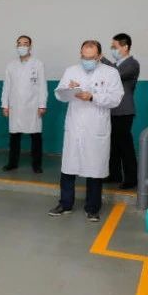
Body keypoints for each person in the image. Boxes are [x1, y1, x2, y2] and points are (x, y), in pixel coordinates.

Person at [49, 40, 123, 221]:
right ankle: (65, 204)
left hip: (96, 127)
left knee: (94, 168)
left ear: (99, 56)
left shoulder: (111, 73)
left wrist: (92, 97)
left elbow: (116, 99)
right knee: (68, 167)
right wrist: (69, 89)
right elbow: (59, 94)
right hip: (75, 125)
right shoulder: (71, 71)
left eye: (91, 57)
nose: (87, 60)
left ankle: (92, 208)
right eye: (84, 56)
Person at [1, 35, 47, 173]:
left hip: (33, 106)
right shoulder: (11, 65)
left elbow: (42, 86)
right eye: (19, 44)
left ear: (30, 47)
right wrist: (4, 105)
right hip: (15, 106)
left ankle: (36, 165)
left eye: (25, 44)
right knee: (14, 136)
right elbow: (6, 86)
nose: (22, 46)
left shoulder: (38, 64)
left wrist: (42, 105)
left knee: (36, 136)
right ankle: (12, 163)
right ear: (16, 46)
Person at [101, 33, 140, 189]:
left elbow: (116, 75)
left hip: (124, 110)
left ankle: (131, 178)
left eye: (114, 47)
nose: (112, 49)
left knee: (125, 146)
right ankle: (114, 174)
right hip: (112, 109)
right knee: (113, 145)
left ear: (125, 47)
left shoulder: (132, 64)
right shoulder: (116, 65)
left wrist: (102, 59)